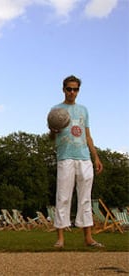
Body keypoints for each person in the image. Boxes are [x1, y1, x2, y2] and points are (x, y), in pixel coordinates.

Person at [48, 75, 104, 248]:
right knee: (63, 197)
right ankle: (61, 239)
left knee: (85, 198)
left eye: (75, 89)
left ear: (78, 90)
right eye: (69, 89)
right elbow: (51, 136)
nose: (72, 92)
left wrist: (96, 156)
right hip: (65, 156)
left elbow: (87, 135)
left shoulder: (83, 110)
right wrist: (53, 130)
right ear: (63, 89)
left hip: (84, 157)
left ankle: (88, 238)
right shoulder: (56, 110)